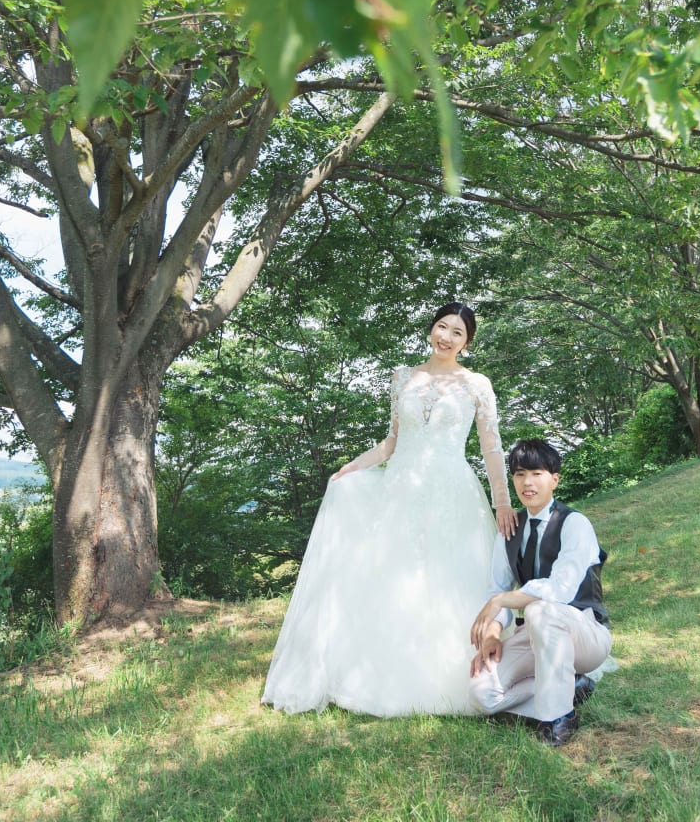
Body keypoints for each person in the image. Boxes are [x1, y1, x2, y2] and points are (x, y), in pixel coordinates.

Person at [262, 302, 517, 717]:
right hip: (400, 488)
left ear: (467, 343)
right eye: (441, 326)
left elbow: (491, 448)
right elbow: (393, 441)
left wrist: (502, 500)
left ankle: (453, 675)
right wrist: (353, 466)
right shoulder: (403, 378)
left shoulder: (477, 385)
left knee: (448, 575)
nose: (446, 337)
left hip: (453, 492)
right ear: (430, 329)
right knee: (395, 576)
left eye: (457, 332)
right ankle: (378, 675)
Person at [468, 438, 611, 747]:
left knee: (539, 609)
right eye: (519, 474)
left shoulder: (575, 524)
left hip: (585, 633)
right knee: (483, 692)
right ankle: (572, 685)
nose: (527, 482)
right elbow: (499, 587)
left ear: (554, 479)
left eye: (536, 473)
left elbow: (558, 590)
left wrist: (499, 602)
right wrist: (493, 632)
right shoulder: (510, 529)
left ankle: (559, 716)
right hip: (536, 635)